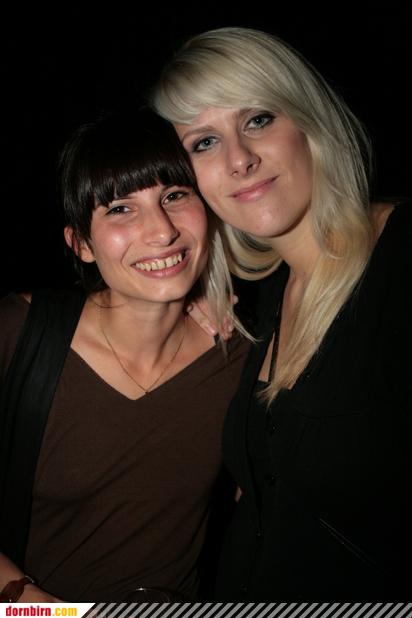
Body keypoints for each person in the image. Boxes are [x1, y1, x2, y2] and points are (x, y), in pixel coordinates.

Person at [153, 27, 412, 600]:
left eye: (258, 119)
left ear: (309, 119)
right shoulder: (267, 300)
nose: (239, 159)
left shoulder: (402, 259)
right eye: (204, 142)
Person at [0, 108, 250, 602]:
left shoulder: (243, 356)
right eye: (119, 208)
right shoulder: (20, 334)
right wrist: (41, 609)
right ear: (81, 244)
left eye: (174, 196)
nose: (161, 230)